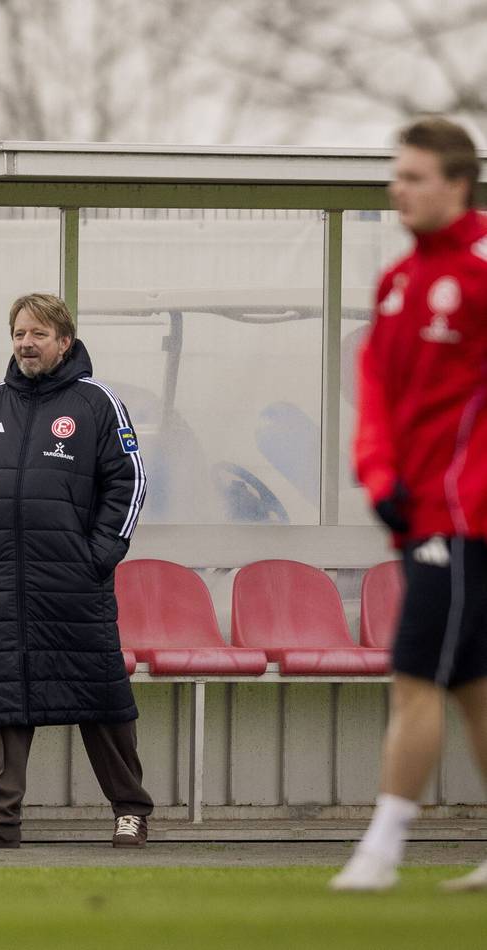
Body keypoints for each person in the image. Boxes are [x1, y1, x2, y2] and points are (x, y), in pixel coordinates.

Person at [331, 116, 487, 892]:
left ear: (456, 185)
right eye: (397, 175)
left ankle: (381, 853)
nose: (401, 188)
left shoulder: (484, 270)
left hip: (465, 522)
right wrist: (379, 477)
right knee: (473, 686)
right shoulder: (396, 283)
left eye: (416, 176)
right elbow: (377, 395)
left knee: (417, 674)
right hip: (417, 514)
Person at [0, 293, 152, 849]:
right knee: (8, 696)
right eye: (18, 334)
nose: (26, 344)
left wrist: (98, 555)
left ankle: (130, 810)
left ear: (65, 341)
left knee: (100, 694)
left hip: (73, 582)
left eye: (37, 334)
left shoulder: (98, 403)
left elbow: (128, 482)